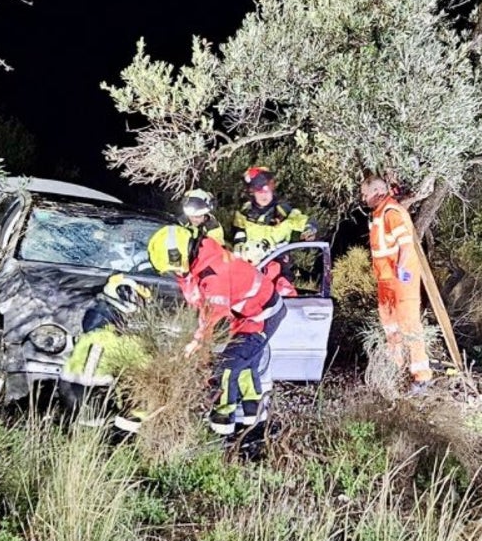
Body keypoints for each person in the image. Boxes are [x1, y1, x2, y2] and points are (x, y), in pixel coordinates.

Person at [148, 224, 286, 436]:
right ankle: (255, 430)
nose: (175, 272)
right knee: (246, 371)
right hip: (247, 315)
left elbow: (213, 317)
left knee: (226, 369)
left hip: (262, 314)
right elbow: (197, 303)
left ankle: (222, 431)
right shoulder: (200, 256)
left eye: (174, 267)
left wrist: (198, 349)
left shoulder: (213, 272)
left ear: (180, 254)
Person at [360, 175, 433, 393]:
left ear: (377, 192)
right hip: (386, 280)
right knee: (390, 326)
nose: (364, 199)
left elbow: (406, 244)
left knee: (409, 325)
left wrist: (401, 268)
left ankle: (421, 375)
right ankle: (397, 367)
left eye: (365, 194)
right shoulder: (380, 213)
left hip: (400, 280)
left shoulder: (391, 212)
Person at [59, 273, 153, 432]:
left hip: (68, 392)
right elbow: (147, 374)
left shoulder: (89, 333)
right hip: (95, 399)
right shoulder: (125, 341)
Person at [232, 167, 317, 282]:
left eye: (266, 190)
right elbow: (238, 233)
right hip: (250, 268)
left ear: (272, 188)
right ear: (251, 192)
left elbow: (302, 221)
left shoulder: (283, 210)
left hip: (278, 266)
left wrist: (309, 230)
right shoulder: (244, 212)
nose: (263, 195)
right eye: (259, 191)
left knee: (282, 289)